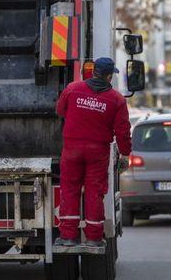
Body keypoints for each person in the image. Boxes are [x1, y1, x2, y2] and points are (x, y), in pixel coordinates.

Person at [55, 57, 132, 247]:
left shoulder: (73, 89)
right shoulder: (117, 100)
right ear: (108, 76)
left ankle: (68, 236)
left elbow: (60, 110)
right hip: (98, 152)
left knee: (70, 189)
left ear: (94, 71)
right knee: (94, 192)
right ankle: (94, 238)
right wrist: (125, 153)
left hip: (72, 148)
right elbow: (122, 131)